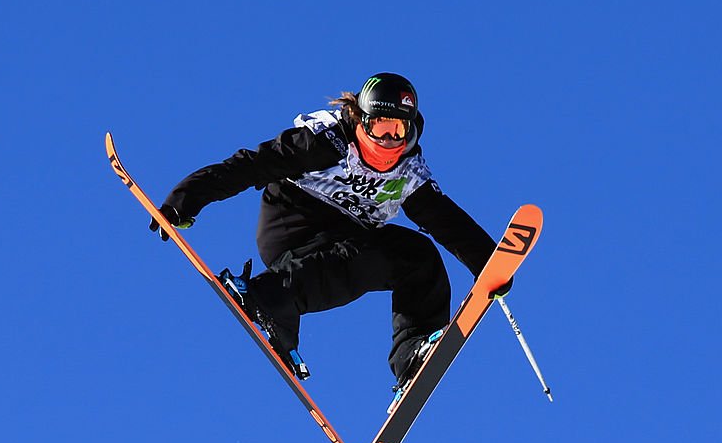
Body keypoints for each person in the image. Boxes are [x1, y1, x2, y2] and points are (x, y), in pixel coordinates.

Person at [151, 73, 512, 387]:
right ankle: (270, 295)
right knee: (353, 257)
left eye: (398, 130)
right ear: (361, 121)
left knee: (417, 257)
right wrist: (186, 198)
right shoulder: (323, 142)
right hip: (293, 225)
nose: (388, 141)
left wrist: (490, 266)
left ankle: (415, 354)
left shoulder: (408, 174)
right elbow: (251, 166)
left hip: (347, 234)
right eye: (380, 128)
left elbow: (448, 222)